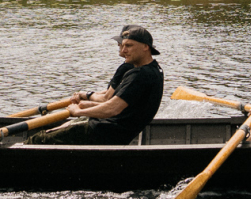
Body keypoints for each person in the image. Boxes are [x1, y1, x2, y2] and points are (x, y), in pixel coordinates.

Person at [22, 24, 164, 145]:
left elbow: (112, 108)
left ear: (145, 47)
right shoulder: (154, 69)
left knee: (36, 141)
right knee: (54, 131)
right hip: (112, 130)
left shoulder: (140, 75)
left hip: (104, 132)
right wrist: (86, 104)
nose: (123, 50)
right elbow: (122, 106)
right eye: (123, 45)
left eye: (129, 46)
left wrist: (78, 111)